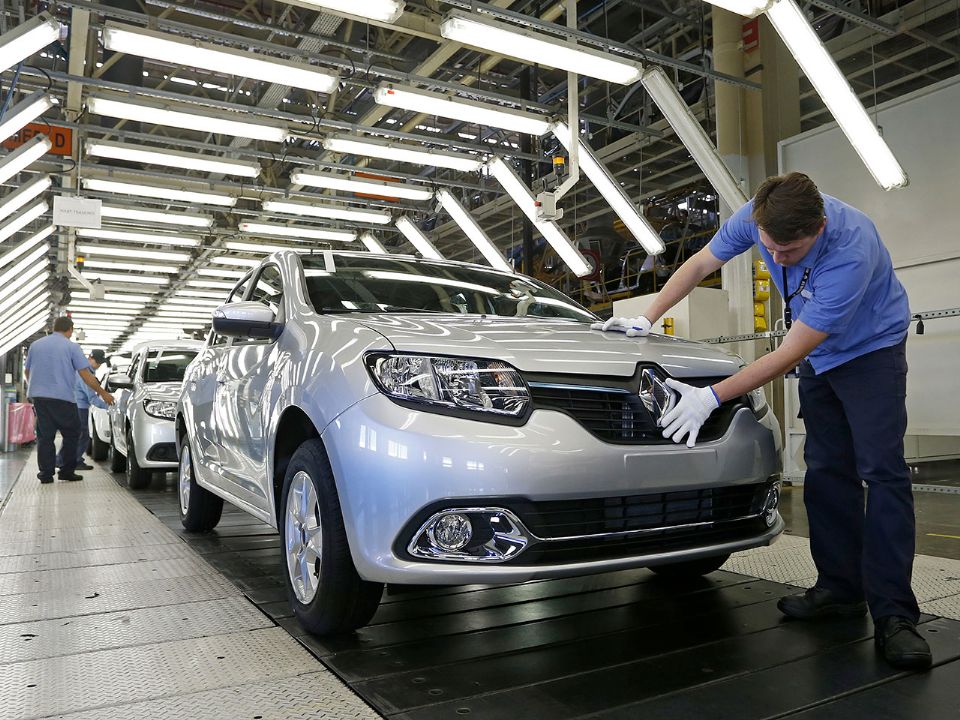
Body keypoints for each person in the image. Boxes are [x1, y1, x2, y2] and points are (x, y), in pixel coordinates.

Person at [595, 172, 930, 670]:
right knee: (825, 470)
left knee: (882, 473)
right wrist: (650, 315)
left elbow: (790, 350)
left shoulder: (851, 249)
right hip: (822, 358)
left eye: (789, 253)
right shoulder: (757, 216)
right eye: (768, 248)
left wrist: (711, 396)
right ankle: (840, 590)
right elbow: (702, 260)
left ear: (818, 228)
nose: (776, 259)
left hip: (870, 352)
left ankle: (895, 615)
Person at [24, 317, 114, 483]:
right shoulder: (71, 347)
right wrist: (103, 393)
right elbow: (86, 375)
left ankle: (45, 474)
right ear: (70, 330)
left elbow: (27, 371)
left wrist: (34, 389)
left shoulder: (36, 345)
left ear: (54, 328)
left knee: (45, 436)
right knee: (73, 433)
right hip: (63, 398)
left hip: (40, 398)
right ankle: (66, 471)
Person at [55, 348, 108, 472]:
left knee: (75, 435)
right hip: (79, 408)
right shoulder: (86, 374)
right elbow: (92, 398)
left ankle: (67, 460)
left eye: (101, 363)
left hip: (74, 405)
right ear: (90, 359)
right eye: (97, 362)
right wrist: (109, 407)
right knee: (81, 436)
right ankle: (70, 461)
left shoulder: (85, 371)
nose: (99, 365)